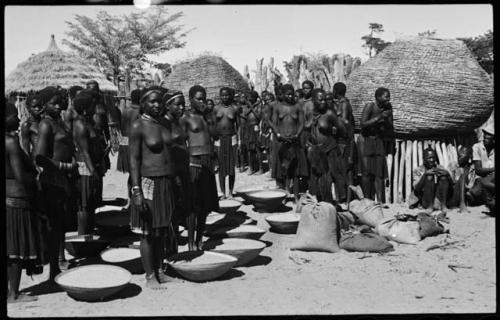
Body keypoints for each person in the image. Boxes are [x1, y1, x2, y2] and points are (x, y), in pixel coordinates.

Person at [129, 88, 177, 288]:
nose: (157, 105)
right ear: (144, 103)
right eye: (152, 101)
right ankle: (150, 276)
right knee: (148, 232)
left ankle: (159, 270)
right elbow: (133, 160)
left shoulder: (164, 123)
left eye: (159, 102)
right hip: (148, 182)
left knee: (161, 230)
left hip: (165, 181)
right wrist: (136, 190)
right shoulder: (138, 126)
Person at [34, 87, 77, 280]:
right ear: (44, 105)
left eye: (59, 102)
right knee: (52, 226)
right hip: (52, 181)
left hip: (63, 181)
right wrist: (66, 166)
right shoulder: (46, 125)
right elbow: (40, 158)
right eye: (53, 103)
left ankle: (58, 264)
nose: (58, 106)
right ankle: (53, 271)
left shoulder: (59, 122)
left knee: (60, 225)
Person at [6, 102, 40, 303]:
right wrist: (36, 178)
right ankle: (14, 294)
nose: (18, 119)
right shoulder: (11, 141)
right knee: (15, 249)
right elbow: (20, 175)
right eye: (13, 116)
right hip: (16, 199)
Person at [180, 85, 219, 251]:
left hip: (208, 160)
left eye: (204, 98)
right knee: (192, 205)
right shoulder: (185, 117)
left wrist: (209, 117)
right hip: (193, 161)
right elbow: (181, 142)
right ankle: (190, 243)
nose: (202, 101)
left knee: (204, 205)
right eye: (199, 99)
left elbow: (215, 135)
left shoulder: (207, 116)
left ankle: (199, 239)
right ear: (191, 99)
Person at [72, 89, 108, 235]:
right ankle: (83, 236)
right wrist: (93, 172)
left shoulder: (87, 122)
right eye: (92, 106)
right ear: (86, 108)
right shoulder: (80, 125)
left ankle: (90, 234)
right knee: (84, 205)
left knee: (91, 203)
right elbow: (84, 151)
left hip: (93, 165)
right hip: (85, 168)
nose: (95, 108)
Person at [163, 89, 191, 255]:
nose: (182, 107)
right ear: (167, 106)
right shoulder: (163, 125)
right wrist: (174, 176)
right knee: (170, 211)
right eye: (178, 104)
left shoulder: (178, 122)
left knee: (180, 209)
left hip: (183, 171)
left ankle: (174, 245)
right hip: (172, 174)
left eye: (183, 104)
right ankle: (170, 249)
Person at [269, 84, 308, 202]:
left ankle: (296, 196)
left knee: (295, 170)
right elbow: (274, 123)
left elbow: (302, 123)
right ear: (284, 94)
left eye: (292, 94)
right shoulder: (278, 107)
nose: (290, 96)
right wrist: (278, 135)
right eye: (288, 94)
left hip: (295, 141)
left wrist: (297, 134)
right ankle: (286, 193)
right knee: (284, 169)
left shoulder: (297, 107)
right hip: (282, 141)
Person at [306, 88, 346, 203]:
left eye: (324, 99)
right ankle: (317, 202)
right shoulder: (311, 113)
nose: (323, 102)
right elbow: (309, 130)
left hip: (329, 149)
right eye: (320, 100)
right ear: (313, 100)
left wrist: (331, 131)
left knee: (328, 177)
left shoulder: (329, 114)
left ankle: (330, 203)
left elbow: (342, 130)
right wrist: (308, 142)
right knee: (315, 177)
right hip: (316, 150)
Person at [359, 87, 394, 202]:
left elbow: (390, 126)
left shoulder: (388, 108)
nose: (388, 99)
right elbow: (363, 124)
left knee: (379, 172)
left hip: (378, 140)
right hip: (366, 140)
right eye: (386, 96)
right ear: (378, 97)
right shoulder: (370, 106)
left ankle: (380, 200)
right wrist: (379, 117)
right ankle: (367, 200)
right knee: (367, 172)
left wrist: (387, 119)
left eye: (389, 96)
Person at [214, 87, 239, 198]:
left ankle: (230, 192)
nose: (225, 97)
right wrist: (214, 140)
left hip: (231, 138)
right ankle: (223, 192)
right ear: (220, 96)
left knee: (231, 168)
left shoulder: (234, 108)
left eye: (227, 95)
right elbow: (213, 125)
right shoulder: (216, 109)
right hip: (219, 139)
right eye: (222, 95)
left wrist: (238, 140)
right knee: (221, 167)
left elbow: (238, 126)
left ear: (230, 96)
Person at [410, 148, 453, 213]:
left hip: (439, 198)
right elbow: (416, 188)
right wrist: (425, 175)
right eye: (429, 158)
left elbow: (452, 185)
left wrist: (448, 175)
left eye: (433, 158)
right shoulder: (418, 170)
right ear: (424, 159)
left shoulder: (440, 168)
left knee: (443, 177)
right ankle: (430, 207)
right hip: (425, 199)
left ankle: (443, 206)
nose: (432, 160)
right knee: (429, 176)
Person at [333, 82, 356, 203]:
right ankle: (341, 198)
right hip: (340, 142)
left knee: (347, 173)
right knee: (339, 172)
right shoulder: (341, 104)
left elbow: (345, 121)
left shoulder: (344, 104)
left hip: (345, 143)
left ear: (336, 91)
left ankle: (347, 200)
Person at [468, 125, 495, 212]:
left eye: (489, 136)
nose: (485, 138)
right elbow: (478, 170)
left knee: (481, 188)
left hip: (492, 178)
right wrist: (493, 169)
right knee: (482, 183)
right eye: (485, 135)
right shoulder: (477, 147)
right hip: (481, 177)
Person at [116, 88, 141, 175]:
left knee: (132, 173)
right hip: (133, 143)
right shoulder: (139, 112)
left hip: (124, 143)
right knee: (136, 171)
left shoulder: (126, 110)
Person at [448, 146, 475, 213]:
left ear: (470, 156)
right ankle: (462, 205)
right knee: (462, 178)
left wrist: (467, 187)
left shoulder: (473, 167)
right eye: (459, 152)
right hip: (454, 196)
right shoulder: (453, 165)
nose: (460, 154)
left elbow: (472, 184)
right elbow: (450, 183)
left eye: (463, 152)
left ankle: (463, 203)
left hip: (468, 195)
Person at [245, 91, 263, 175]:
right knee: (249, 149)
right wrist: (251, 106)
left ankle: (261, 168)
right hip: (248, 128)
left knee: (257, 149)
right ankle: (251, 167)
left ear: (255, 98)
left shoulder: (259, 105)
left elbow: (258, 116)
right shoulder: (248, 105)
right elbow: (245, 115)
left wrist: (252, 107)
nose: (249, 99)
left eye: (250, 97)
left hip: (255, 127)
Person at [236, 91, 249, 173]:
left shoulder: (248, 106)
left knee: (248, 147)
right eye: (241, 97)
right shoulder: (238, 107)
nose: (242, 99)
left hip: (247, 128)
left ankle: (250, 164)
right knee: (240, 147)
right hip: (240, 128)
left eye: (244, 97)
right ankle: (241, 165)